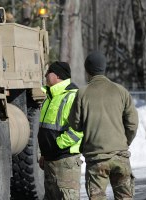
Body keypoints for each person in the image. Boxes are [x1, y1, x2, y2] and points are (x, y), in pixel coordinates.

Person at [68, 51, 139, 200]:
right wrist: (124, 142)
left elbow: (74, 124)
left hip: (96, 159)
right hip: (120, 156)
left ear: (87, 70)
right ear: (104, 68)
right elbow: (132, 123)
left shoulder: (82, 93)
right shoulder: (121, 91)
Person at [38, 61, 83, 200]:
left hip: (65, 162)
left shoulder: (72, 96)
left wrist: (57, 145)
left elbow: (79, 130)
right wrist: (45, 153)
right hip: (50, 161)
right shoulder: (50, 97)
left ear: (57, 76)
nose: (46, 75)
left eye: (49, 72)